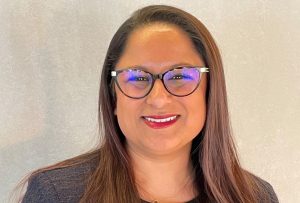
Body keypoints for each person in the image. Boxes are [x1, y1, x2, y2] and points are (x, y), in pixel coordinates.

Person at [19, 5, 279, 203]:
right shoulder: (58, 193)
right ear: (113, 97)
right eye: (137, 77)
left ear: (210, 92)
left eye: (179, 76)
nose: (157, 99)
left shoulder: (254, 196)